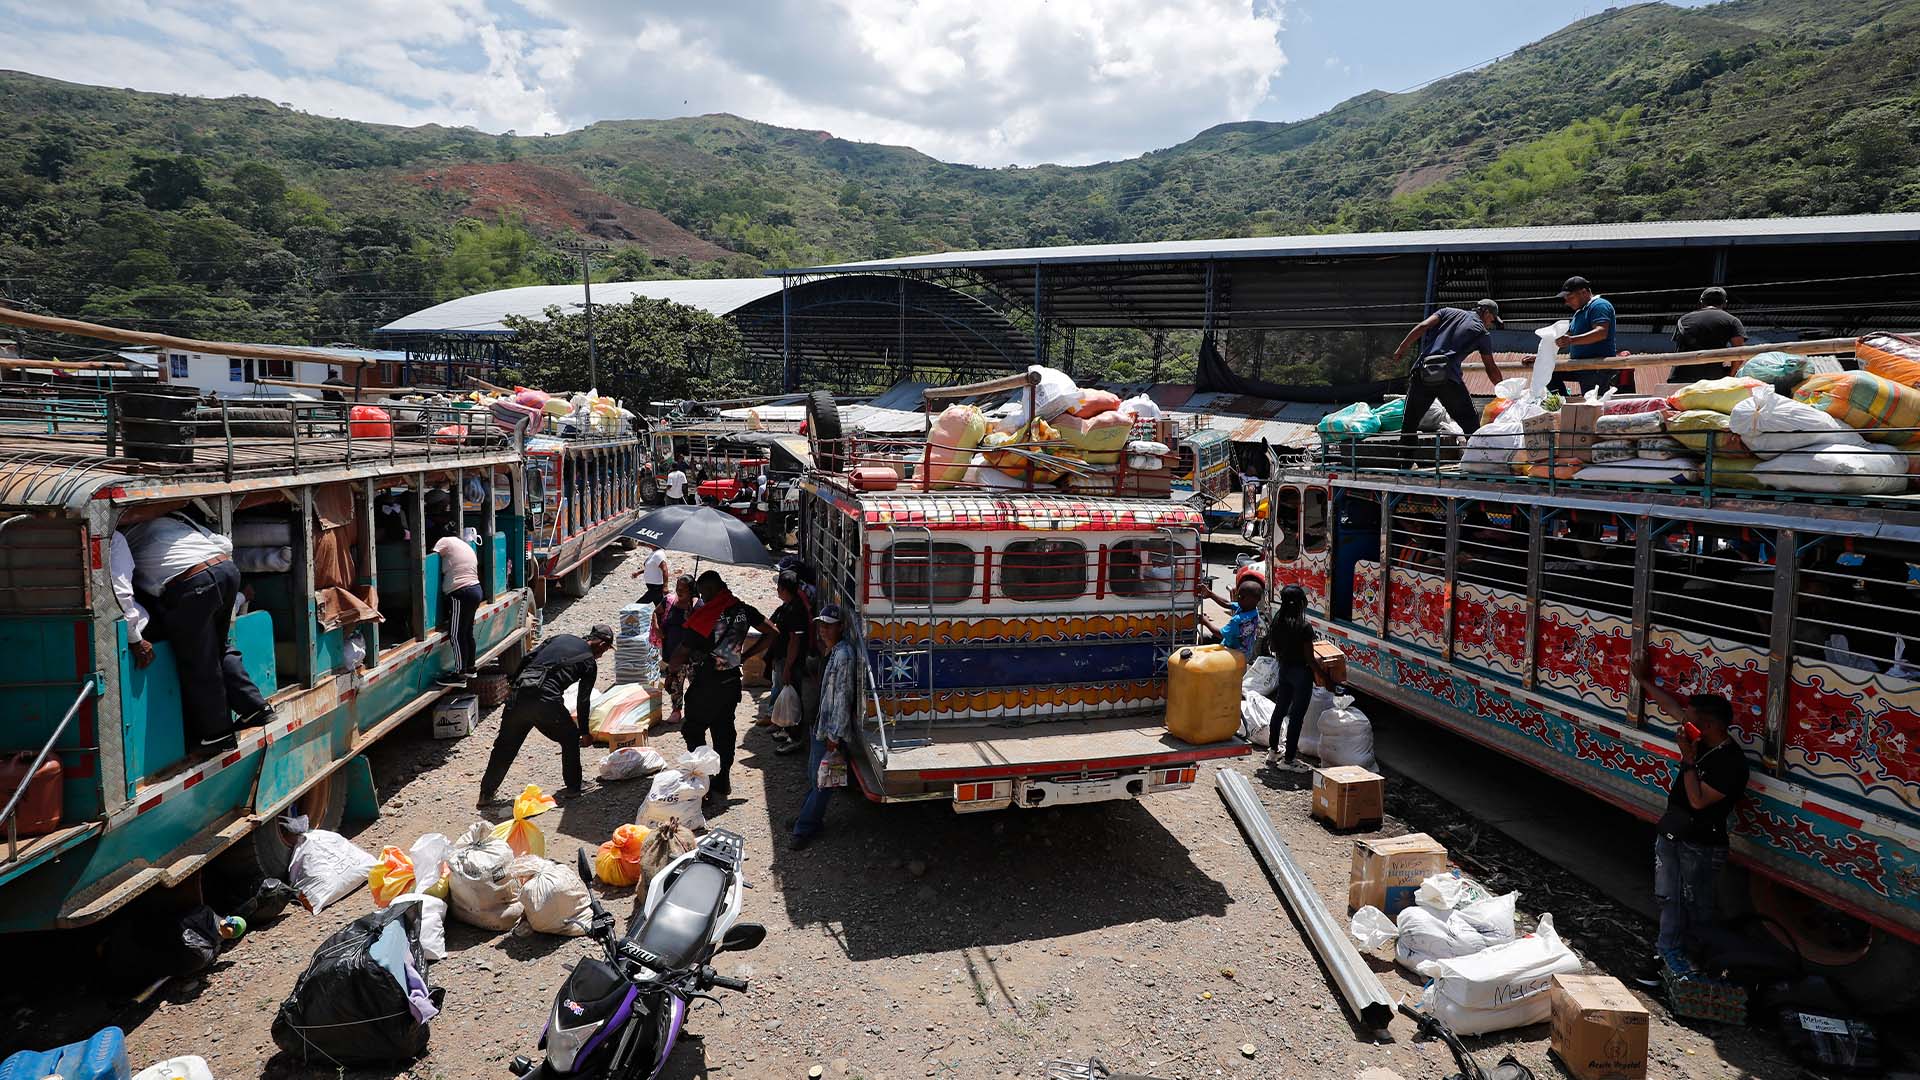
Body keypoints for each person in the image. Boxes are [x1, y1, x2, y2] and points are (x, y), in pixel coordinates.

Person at [1628, 656, 1749, 986]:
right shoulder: (1702, 736)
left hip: (1700, 843)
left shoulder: (1730, 762)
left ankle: (1694, 966)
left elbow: (1698, 801)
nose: (1683, 725)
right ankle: (1666, 955)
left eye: (1691, 721)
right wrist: (1644, 682)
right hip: (1673, 834)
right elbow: (1672, 708)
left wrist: (1687, 759)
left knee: (1695, 909)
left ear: (1709, 726)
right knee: (1669, 900)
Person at [113, 514, 272, 752]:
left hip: (190, 584)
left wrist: (134, 637)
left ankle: (218, 734)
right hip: (226, 571)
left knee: (199, 662)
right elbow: (225, 545)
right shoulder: (174, 520)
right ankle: (255, 708)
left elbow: (121, 589)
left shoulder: (119, 538)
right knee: (219, 648)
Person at [666, 570, 773, 805]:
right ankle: (722, 781)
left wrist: (671, 669)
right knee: (724, 732)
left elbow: (679, 656)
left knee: (693, 730)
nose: (702, 597)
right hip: (731, 682)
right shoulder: (744, 609)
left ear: (713, 590)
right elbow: (771, 632)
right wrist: (745, 656)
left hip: (706, 683)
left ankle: (704, 779)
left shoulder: (704, 618)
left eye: (704, 592)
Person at [478, 625, 614, 807]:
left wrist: (513, 685)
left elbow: (528, 657)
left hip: (519, 693)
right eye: (605, 649)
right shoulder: (589, 662)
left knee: (505, 746)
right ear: (601, 643)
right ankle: (574, 787)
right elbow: (583, 700)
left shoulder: (560, 637)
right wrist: (584, 732)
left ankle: (486, 794)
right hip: (545, 699)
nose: (602, 654)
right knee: (570, 737)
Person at [1391, 300, 1504, 444]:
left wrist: (1402, 348)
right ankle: (1479, 459)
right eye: (1492, 320)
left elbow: (1423, 326)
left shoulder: (1447, 311)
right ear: (1486, 313)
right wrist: (1503, 390)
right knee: (1470, 423)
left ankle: (1405, 462)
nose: (1490, 324)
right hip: (1449, 380)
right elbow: (1490, 367)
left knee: (1409, 423)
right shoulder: (1482, 333)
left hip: (1422, 373)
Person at [791, 605, 857, 850]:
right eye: (821, 625)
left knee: (823, 782)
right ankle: (808, 818)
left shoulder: (844, 656)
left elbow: (843, 695)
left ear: (840, 626)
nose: (823, 630)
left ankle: (804, 827)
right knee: (815, 777)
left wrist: (835, 735)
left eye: (828, 625)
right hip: (820, 724)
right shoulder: (833, 651)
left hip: (829, 729)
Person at [1263, 585, 1319, 769]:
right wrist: (1325, 677)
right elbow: (1310, 659)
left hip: (1284, 669)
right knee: (1296, 716)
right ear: (1301, 603)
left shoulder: (1278, 622)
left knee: (1280, 710)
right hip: (1301, 674)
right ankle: (1289, 760)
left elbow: (1273, 647)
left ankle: (1273, 751)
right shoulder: (1303, 627)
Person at [765, 570, 815, 755]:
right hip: (785, 660)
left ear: (784, 589)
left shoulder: (795, 610)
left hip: (791, 662)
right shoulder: (789, 606)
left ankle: (795, 738)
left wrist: (787, 667)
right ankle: (786, 730)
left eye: (779, 588)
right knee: (787, 696)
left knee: (794, 700)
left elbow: (794, 641)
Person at [1552, 276, 1621, 395]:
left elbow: (1601, 332)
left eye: (1570, 297)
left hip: (1596, 367)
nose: (1567, 302)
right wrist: (1542, 357)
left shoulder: (1599, 305)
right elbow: (1563, 339)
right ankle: (1563, 402)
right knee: (1548, 371)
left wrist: (1571, 340)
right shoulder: (1579, 313)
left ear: (1584, 292)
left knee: (1592, 403)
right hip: (1580, 365)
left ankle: (1572, 406)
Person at [433, 527, 482, 686]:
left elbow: (431, 558)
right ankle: (470, 668)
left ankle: (460, 675)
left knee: (456, 633)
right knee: (467, 631)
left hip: (460, 592)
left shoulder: (444, 541)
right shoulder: (463, 544)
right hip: (475, 589)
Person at [1670, 287, 1748, 382]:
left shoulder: (1683, 319)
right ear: (1724, 303)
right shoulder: (1732, 321)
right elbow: (1739, 354)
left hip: (1680, 376)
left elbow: (1678, 348)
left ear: (1701, 302)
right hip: (1712, 378)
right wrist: (1730, 376)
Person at [654, 575, 696, 725]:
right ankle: (676, 710)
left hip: (691, 655)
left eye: (683, 589)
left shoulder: (697, 606)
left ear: (691, 591)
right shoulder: (669, 600)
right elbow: (656, 612)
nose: (679, 591)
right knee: (675, 685)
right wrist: (657, 628)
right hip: (673, 653)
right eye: (678, 587)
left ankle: (694, 710)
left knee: (695, 685)